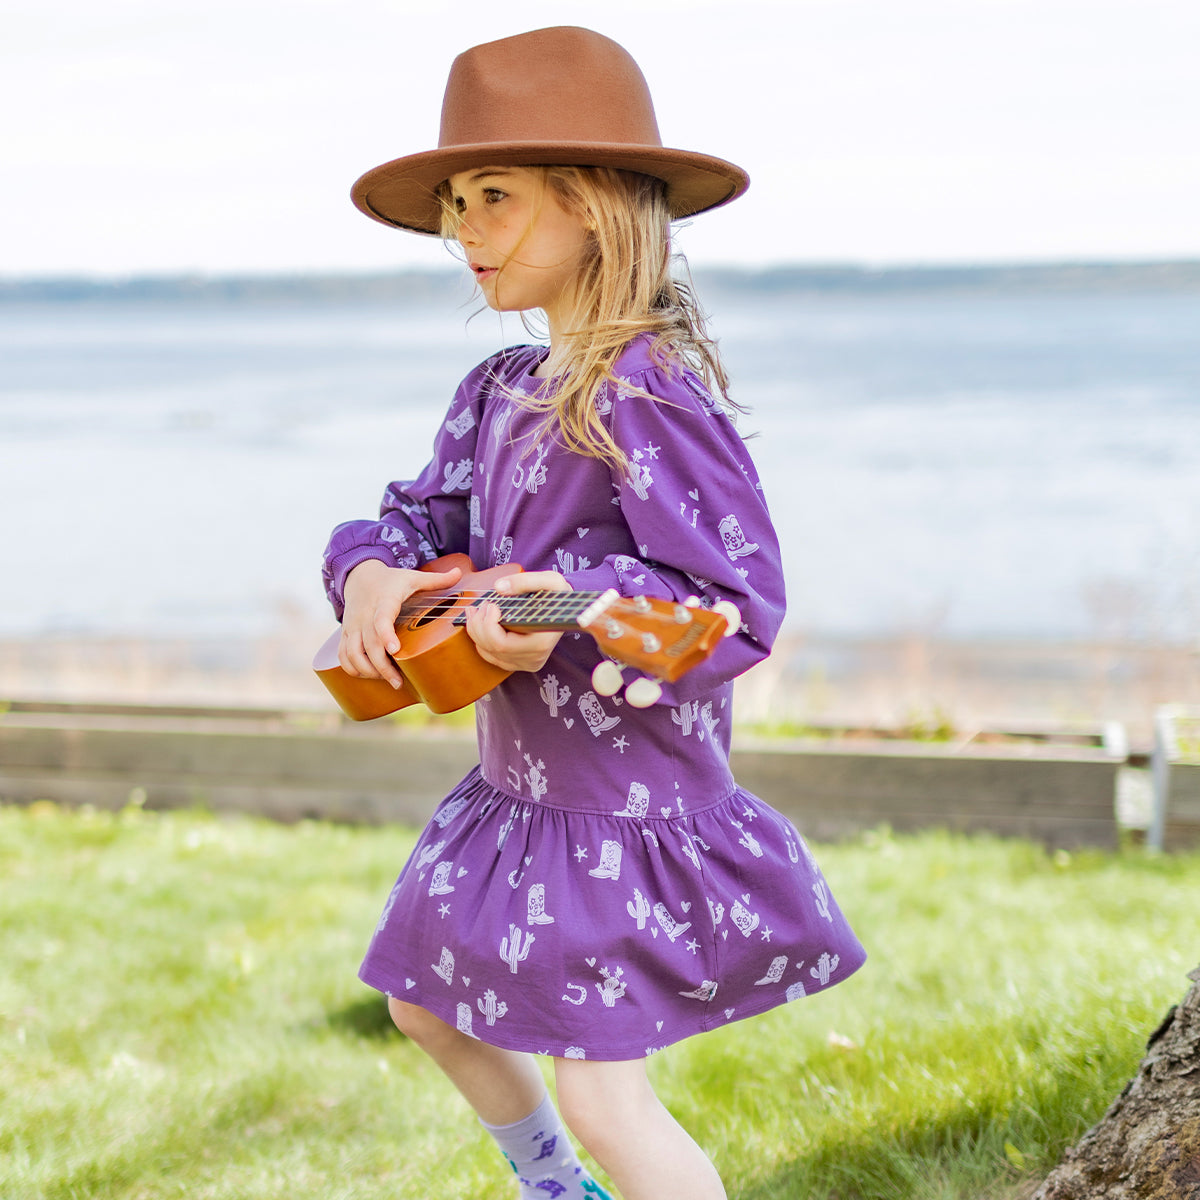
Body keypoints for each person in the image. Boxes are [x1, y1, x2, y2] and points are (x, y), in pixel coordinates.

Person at [322, 26, 866, 1200]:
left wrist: (560, 605)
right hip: (516, 795)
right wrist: (371, 575)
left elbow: (736, 605)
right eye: (458, 202)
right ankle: (556, 1190)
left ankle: (584, 1178)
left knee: (608, 1097)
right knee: (422, 1003)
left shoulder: (647, 391)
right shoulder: (500, 390)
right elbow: (411, 520)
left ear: (597, 208)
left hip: (621, 812)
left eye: (497, 198)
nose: (465, 229)